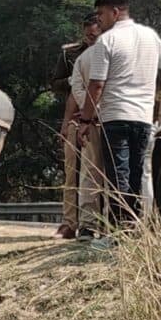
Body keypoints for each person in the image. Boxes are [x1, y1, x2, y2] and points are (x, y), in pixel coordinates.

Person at [72, 0, 161, 222]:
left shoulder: (107, 40)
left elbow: (97, 85)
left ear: (115, 12)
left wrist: (85, 121)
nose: (99, 19)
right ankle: (135, 224)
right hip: (143, 118)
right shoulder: (150, 36)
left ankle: (119, 230)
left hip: (115, 117)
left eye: (101, 14)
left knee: (117, 175)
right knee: (137, 173)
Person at [54, 12, 108, 238]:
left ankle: (100, 222)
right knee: (72, 170)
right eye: (87, 32)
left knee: (98, 171)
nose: (90, 36)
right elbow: (56, 83)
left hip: (100, 116)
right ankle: (70, 222)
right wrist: (74, 79)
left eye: (94, 32)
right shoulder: (71, 53)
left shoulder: (108, 51)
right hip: (75, 115)